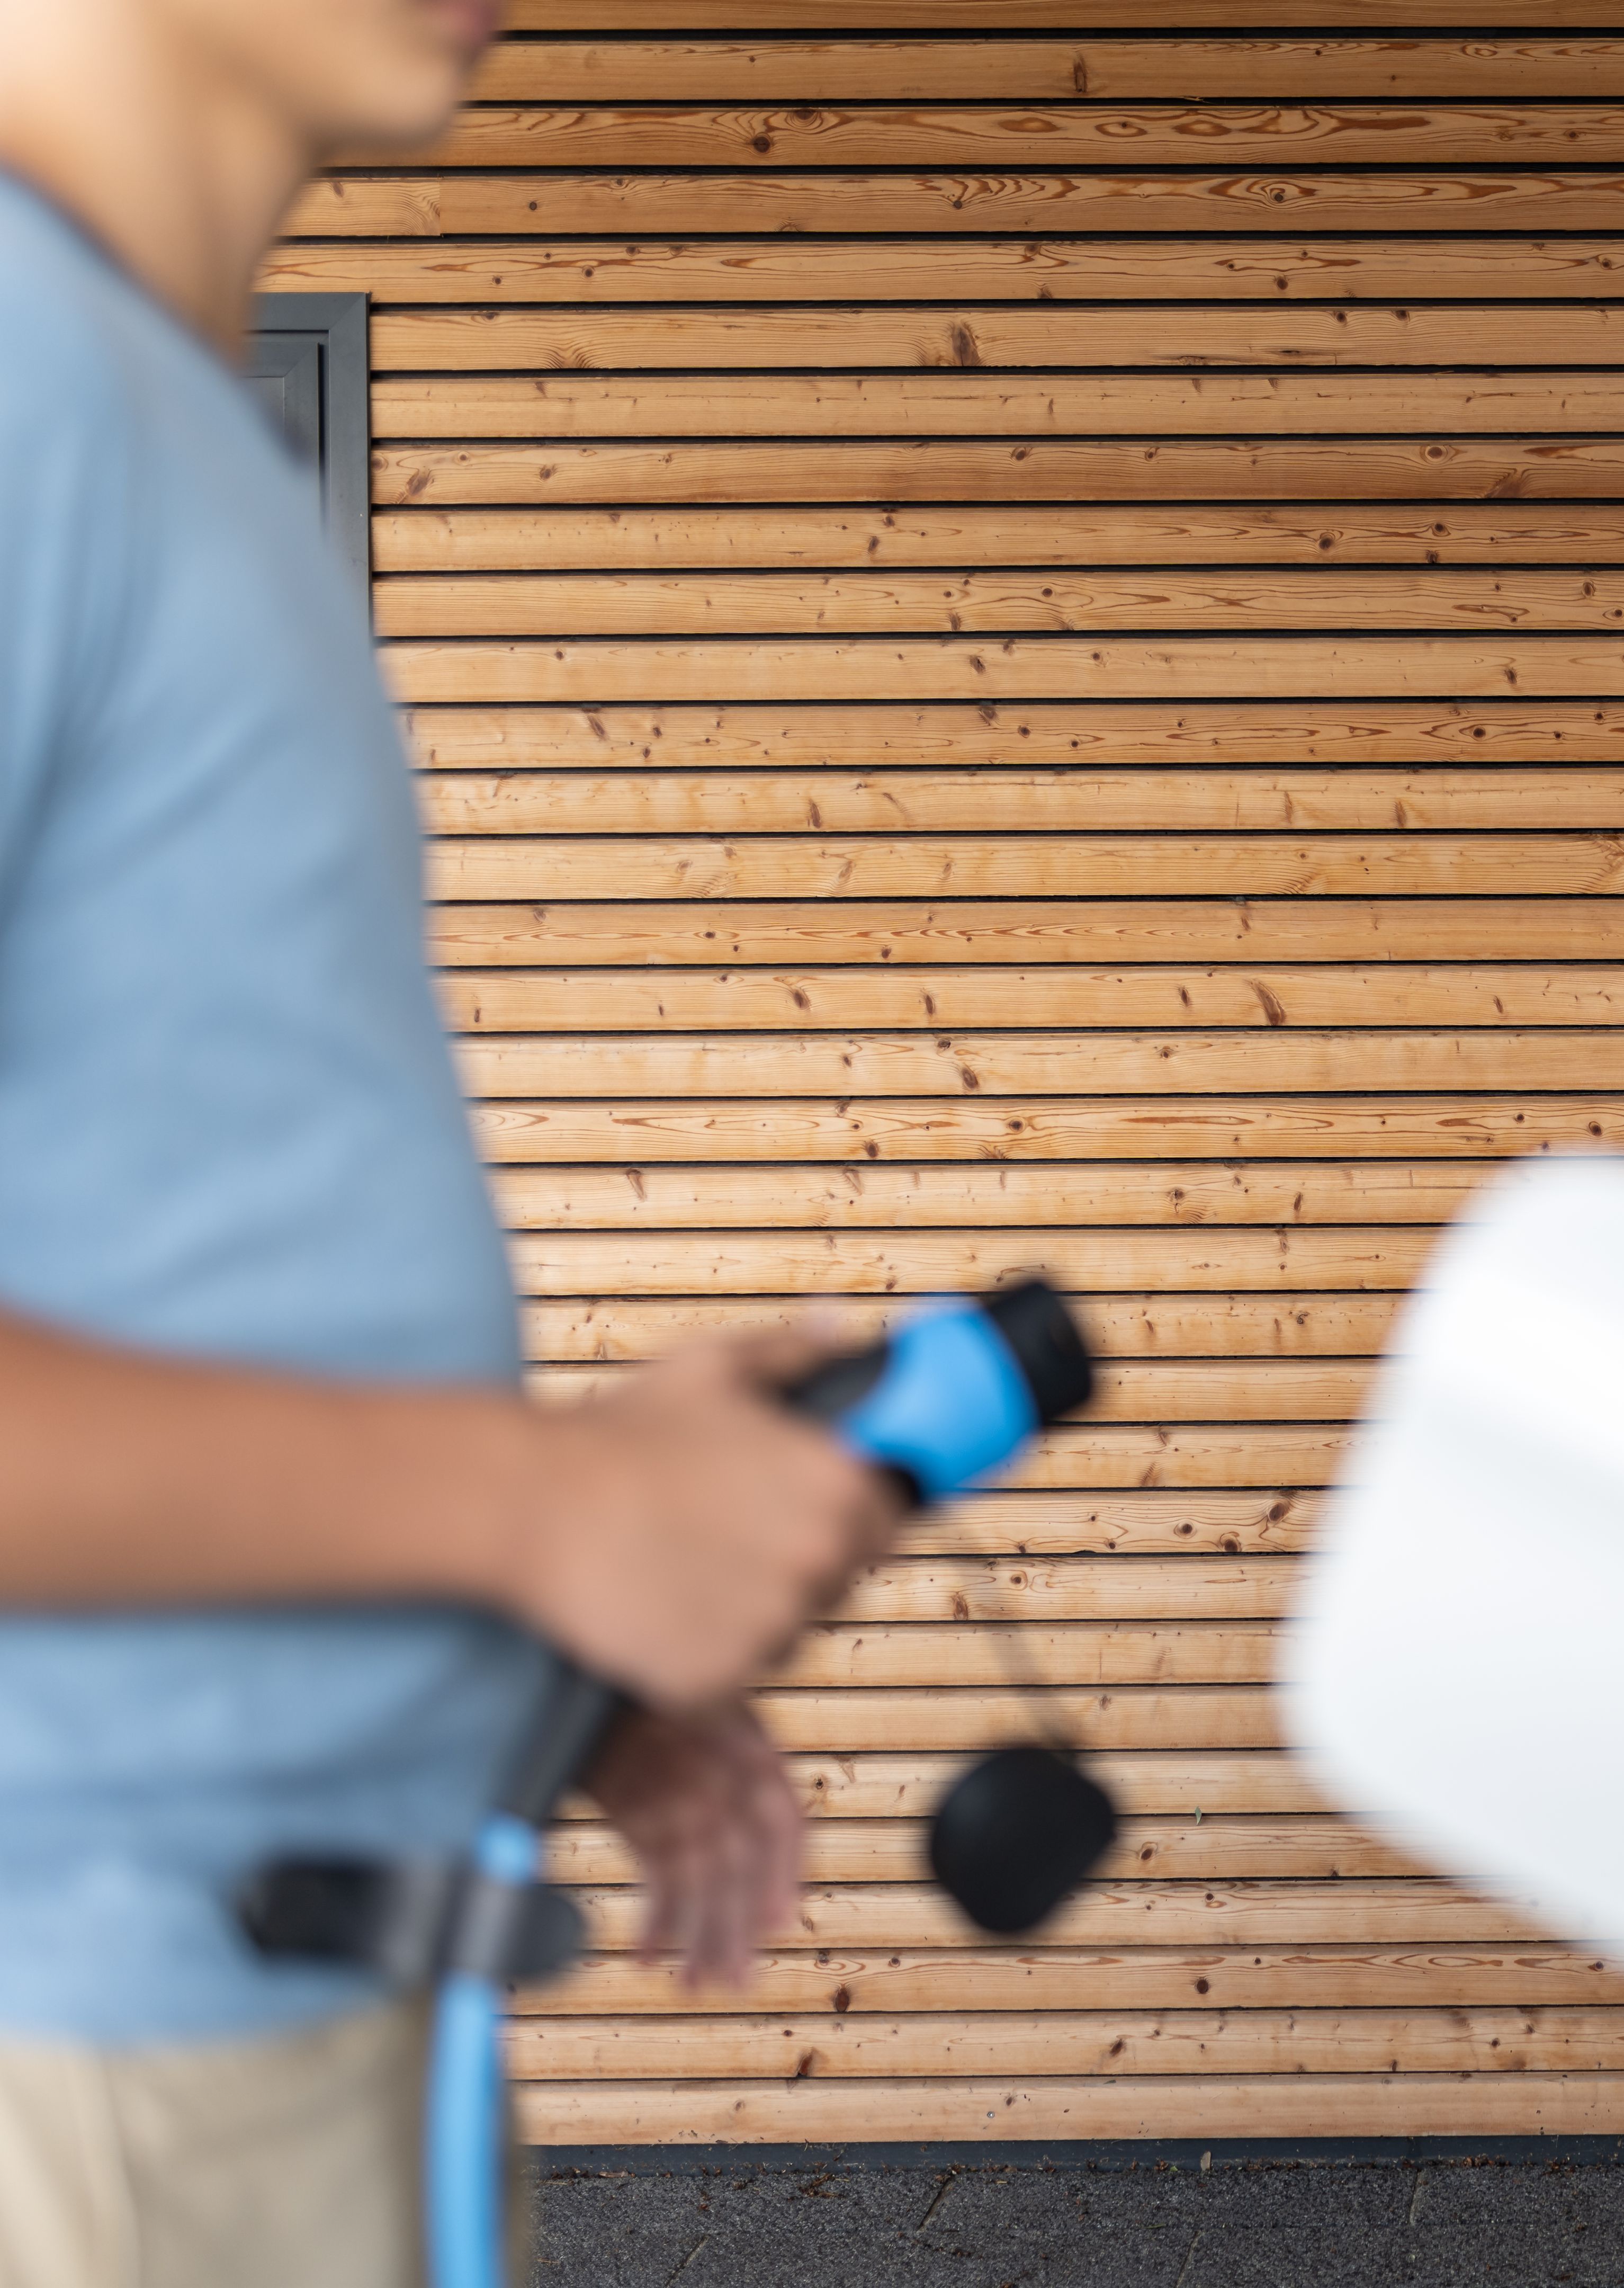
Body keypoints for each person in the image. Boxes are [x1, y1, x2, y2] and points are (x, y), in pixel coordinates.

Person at [0, 1, 905, 2278]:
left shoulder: (144, 411)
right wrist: (539, 1510)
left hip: (269, 2016)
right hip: (98, 2073)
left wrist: (523, 1647)